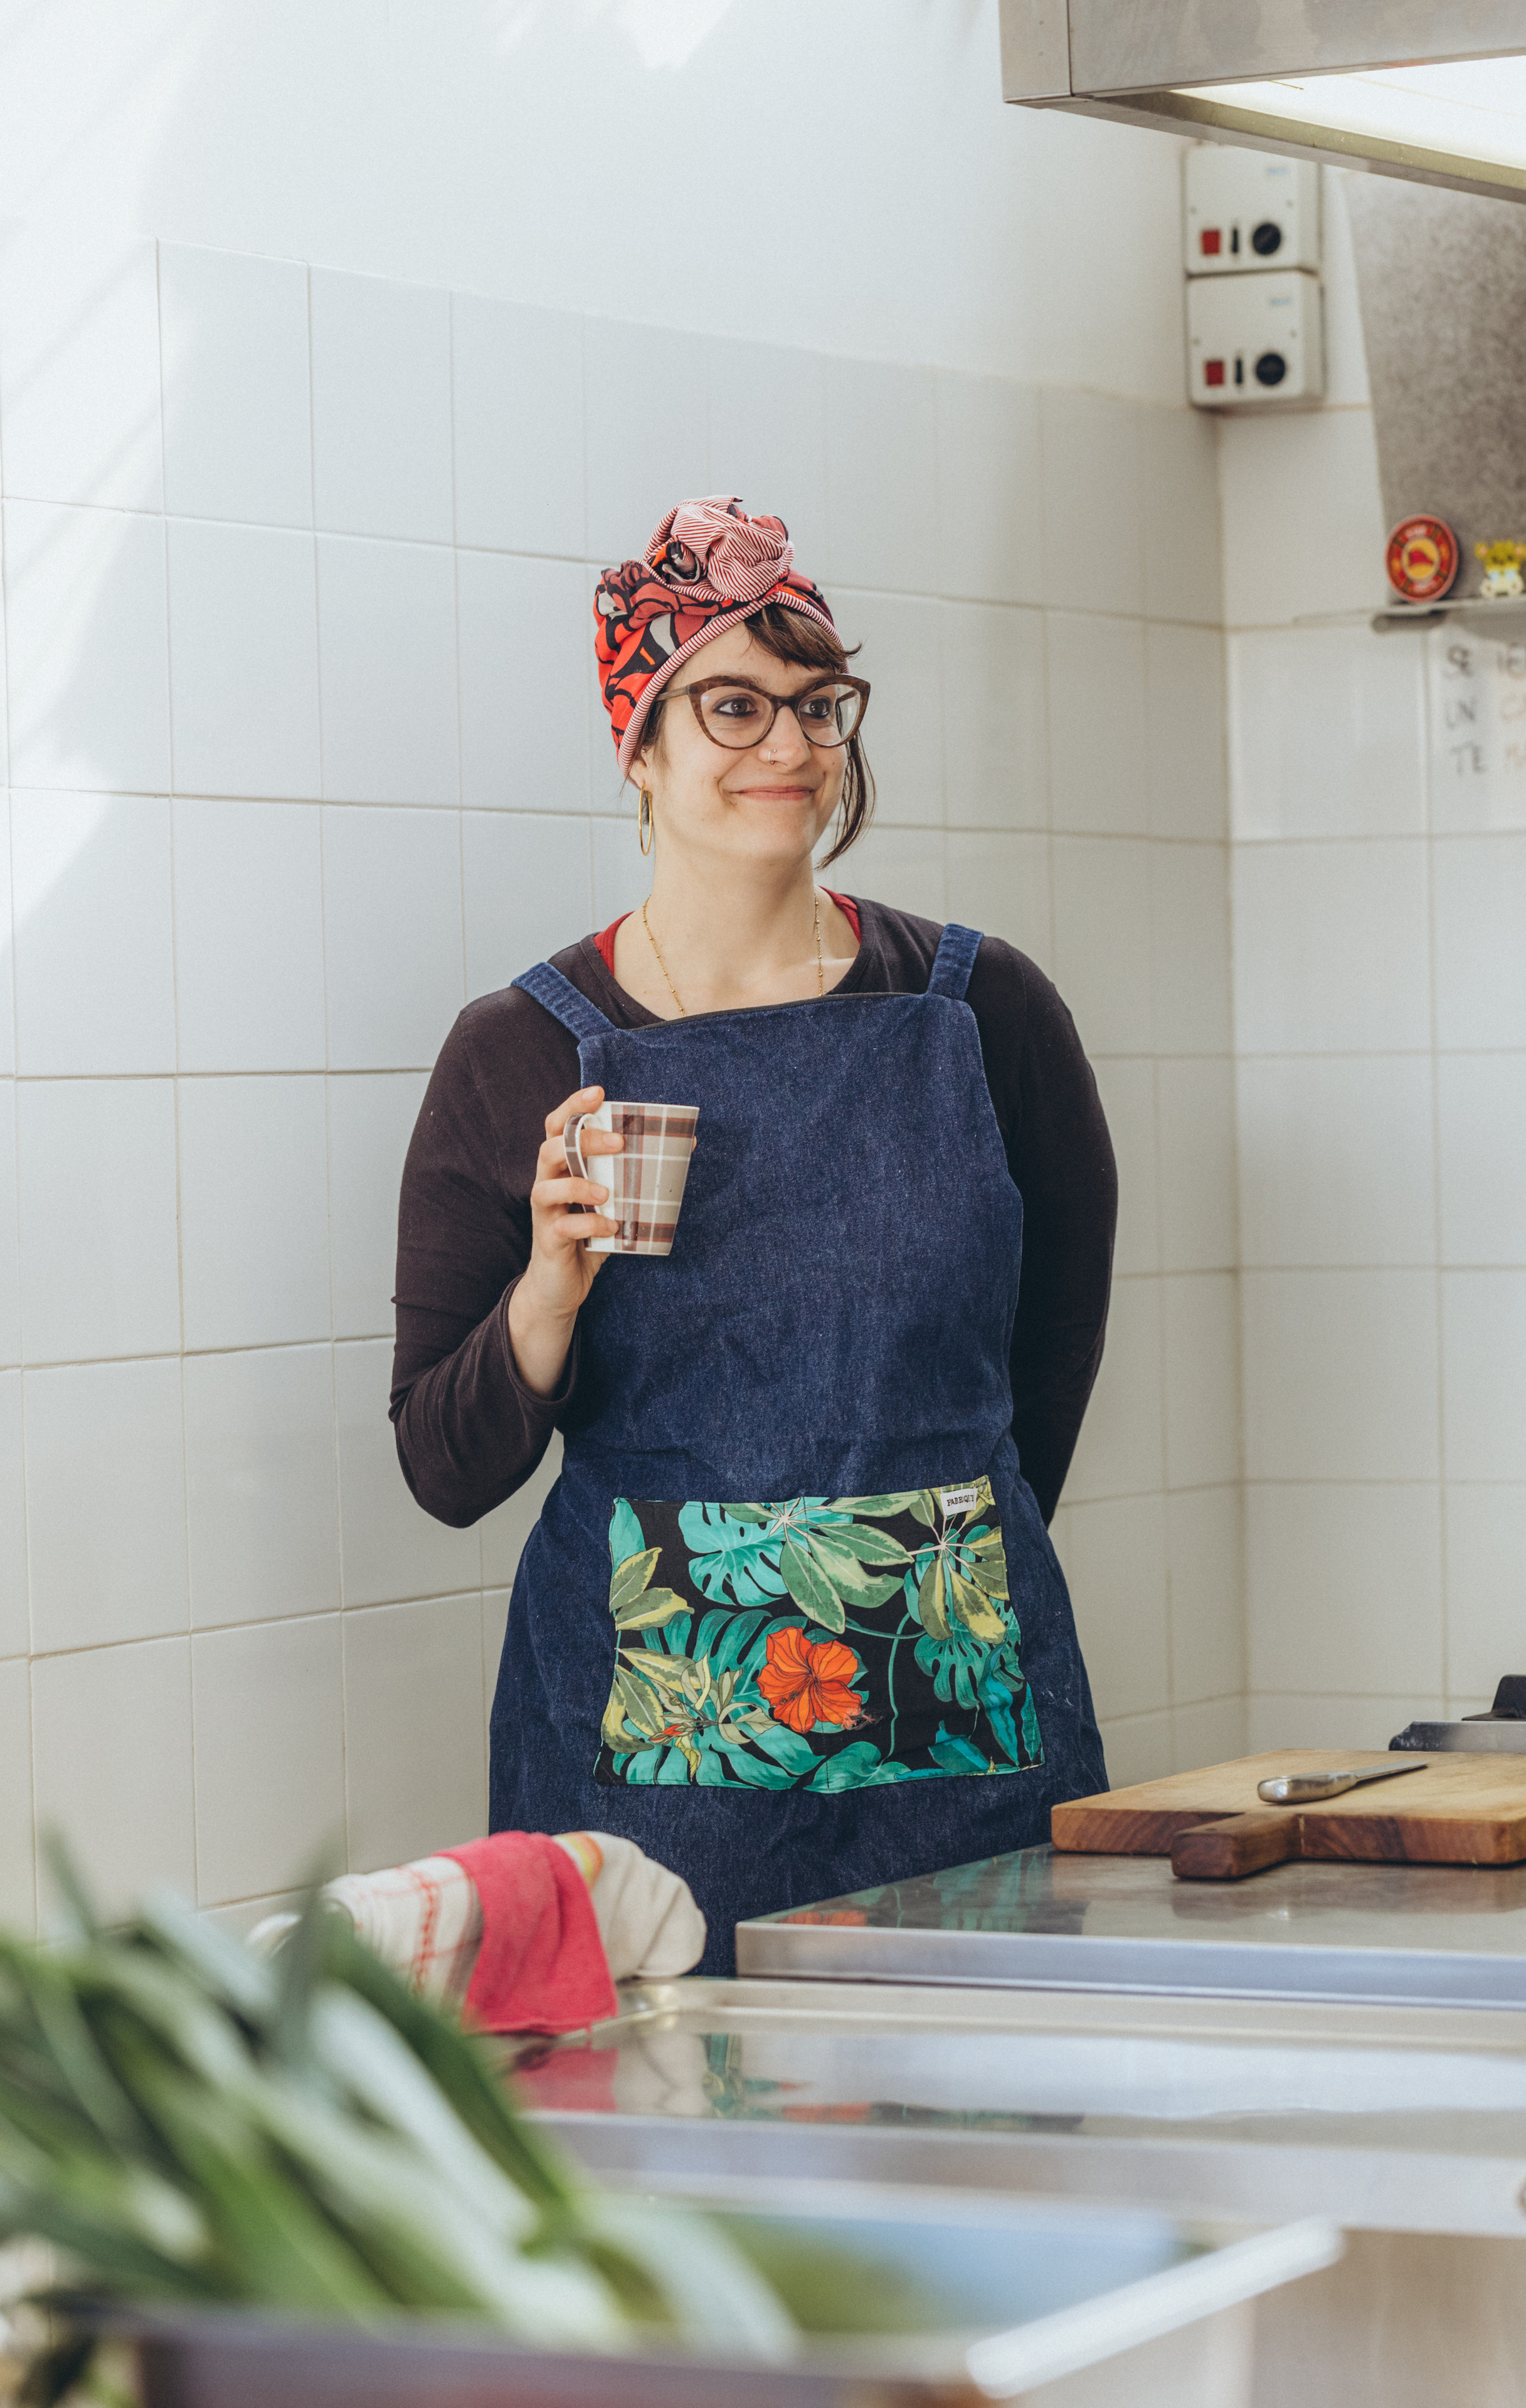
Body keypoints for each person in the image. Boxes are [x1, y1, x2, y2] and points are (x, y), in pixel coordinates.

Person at [392, 495, 1115, 1974]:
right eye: (731, 707)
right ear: (637, 746)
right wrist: (547, 1292)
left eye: (817, 705)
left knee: (982, 2134)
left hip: (956, 1706)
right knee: (652, 2156)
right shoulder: (523, 1051)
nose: (787, 749)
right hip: (647, 1749)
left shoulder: (982, 1013)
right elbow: (440, 1467)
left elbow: (1049, 1369)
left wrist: (921, 1557)